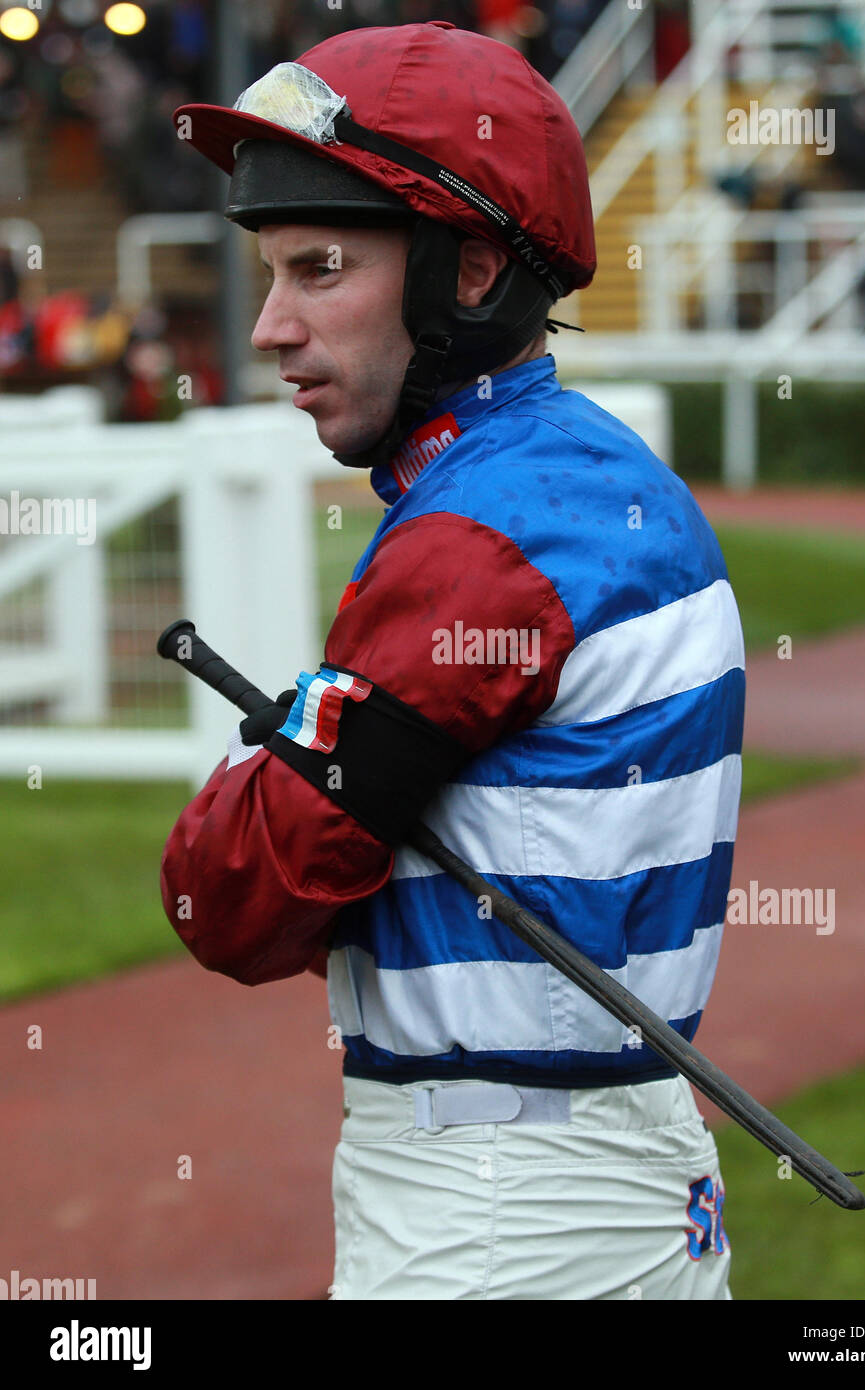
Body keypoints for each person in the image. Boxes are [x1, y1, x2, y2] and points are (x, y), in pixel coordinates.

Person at [161, 20, 745, 1301]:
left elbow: (232, 904)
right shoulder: (588, 477)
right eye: (272, 272)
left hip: (496, 1216)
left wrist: (255, 780)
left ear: (468, 271)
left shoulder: (484, 535)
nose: (271, 326)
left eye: (318, 269)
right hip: (607, 1183)